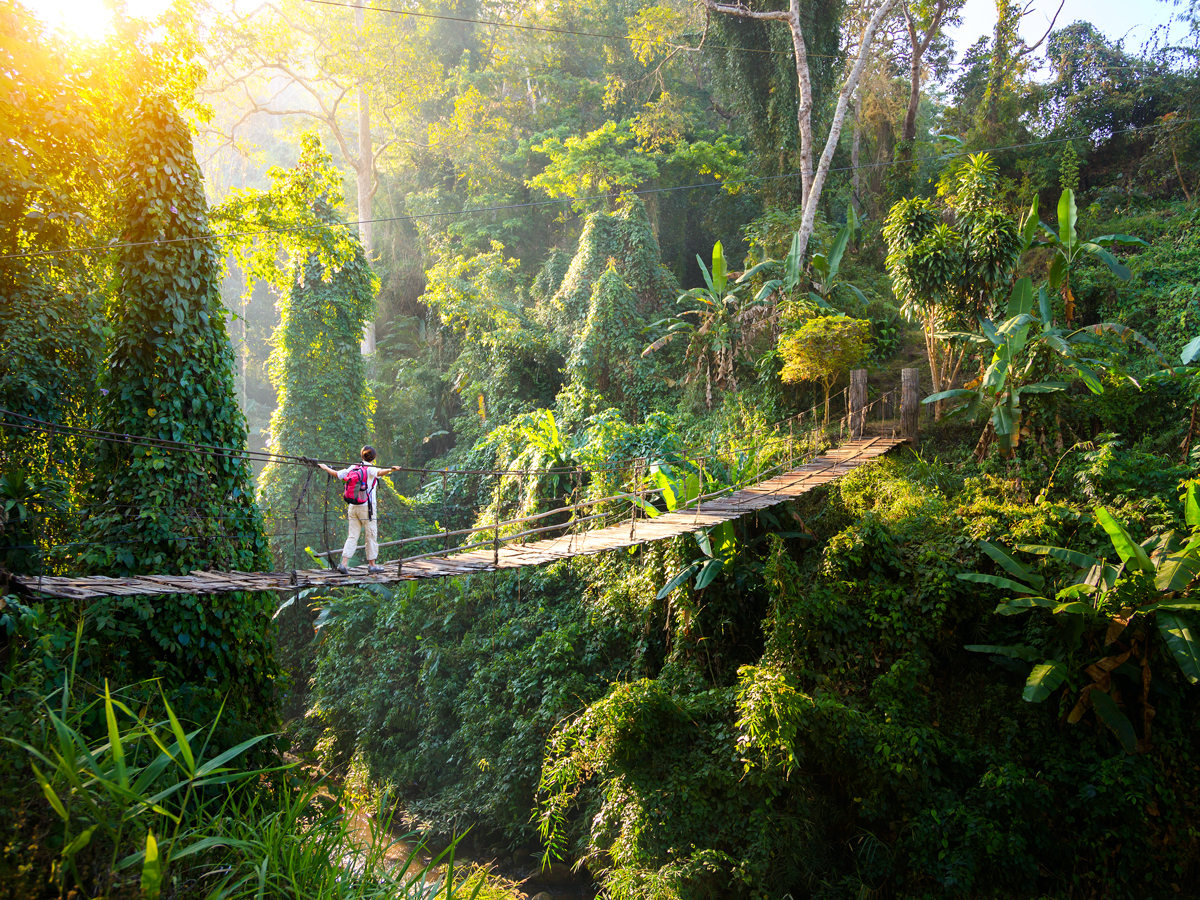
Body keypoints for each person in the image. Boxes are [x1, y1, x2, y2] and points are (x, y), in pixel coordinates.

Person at [314, 446, 400, 575]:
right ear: (374, 458)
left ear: (362, 456)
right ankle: (372, 565)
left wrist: (326, 468)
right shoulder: (371, 468)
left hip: (353, 506)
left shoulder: (353, 467)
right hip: (367, 508)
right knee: (370, 535)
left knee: (352, 535)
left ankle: (343, 564)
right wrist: (391, 470)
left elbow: (337, 474)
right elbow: (380, 473)